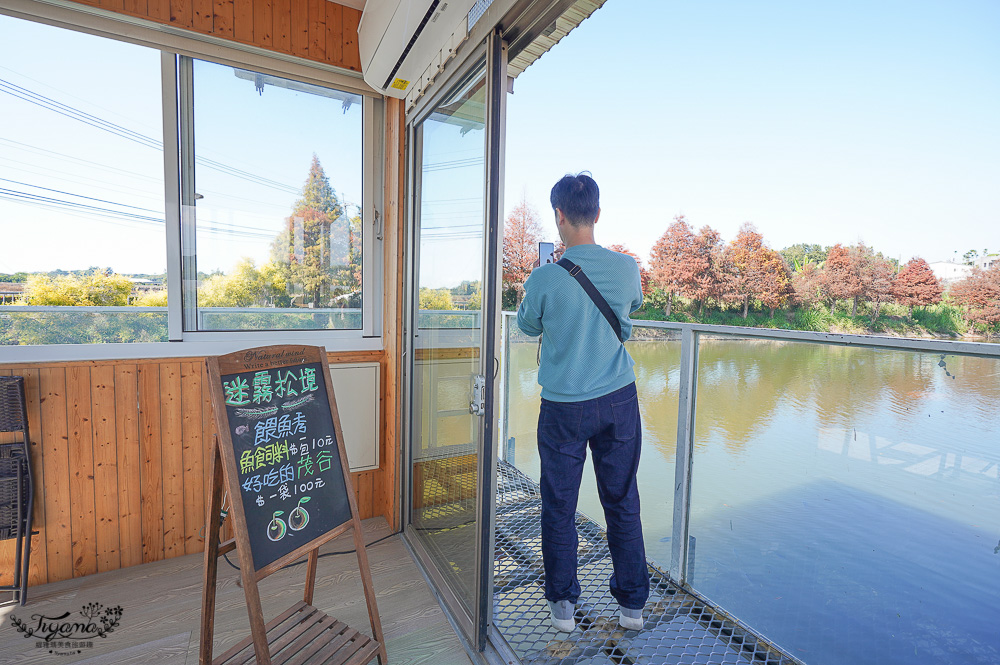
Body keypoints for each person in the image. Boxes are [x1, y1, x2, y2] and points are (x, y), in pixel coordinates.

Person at [516, 173, 649, 633]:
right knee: (621, 499)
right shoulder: (626, 268)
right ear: (597, 213)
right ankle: (632, 607)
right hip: (618, 399)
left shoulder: (545, 277)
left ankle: (562, 609)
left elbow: (528, 328)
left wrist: (542, 284)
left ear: (559, 216)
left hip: (563, 408)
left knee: (558, 505)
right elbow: (629, 307)